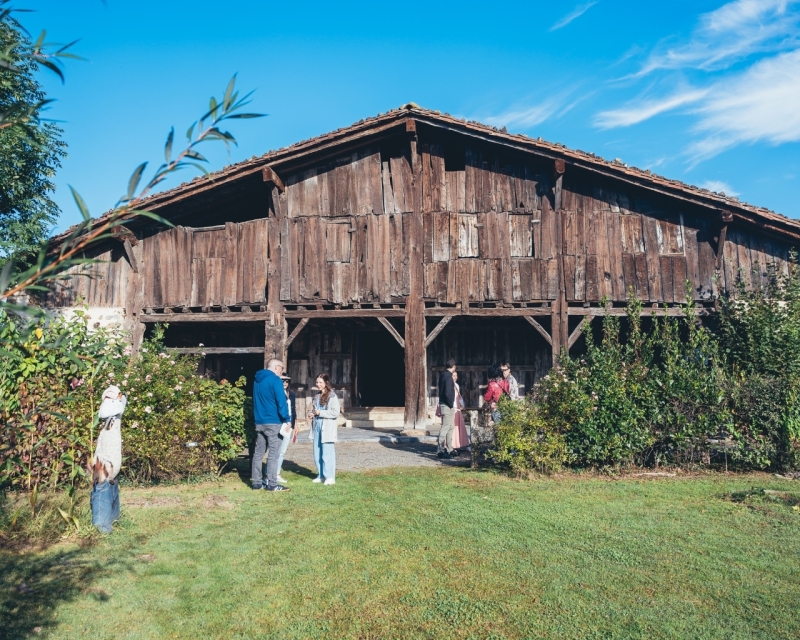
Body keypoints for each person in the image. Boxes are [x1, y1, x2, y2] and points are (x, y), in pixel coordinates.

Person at [90, 385, 127, 533]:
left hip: (107, 466)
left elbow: (106, 409)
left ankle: (102, 527)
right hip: (107, 463)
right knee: (107, 485)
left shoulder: (116, 408)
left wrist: (112, 397)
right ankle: (112, 520)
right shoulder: (110, 418)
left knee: (103, 487)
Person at [252, 358, 291, 492]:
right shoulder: (275, 380)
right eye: (281, 368)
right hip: (273, 421)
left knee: (258, 453)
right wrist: (287, 419)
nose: (282, 371)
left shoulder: (257, 380)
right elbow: (281, 401)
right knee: (274, 454)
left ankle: (257, 483)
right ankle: (272, 484)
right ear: (276, 367)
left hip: (259, 421)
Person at [308, 373, 339, 485]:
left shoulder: (332, 396)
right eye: (317, 382)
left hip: (327, 427)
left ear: (326, 383)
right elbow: (314, 410)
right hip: (317, 427)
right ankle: (321, 475)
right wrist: (312, 414)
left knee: (327, 452)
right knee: (317, 452)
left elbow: (335, 412)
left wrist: (320, 412)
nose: (318, 384)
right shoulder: (316, 396)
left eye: (320, 382)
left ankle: (329, 476)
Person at [272, 375, 297, 484]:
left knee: (282, 451)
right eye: (282, 381)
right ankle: (271, 473)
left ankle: (277, 473)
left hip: (289, 424)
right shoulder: (277, 393)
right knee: (275, 450)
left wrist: (294, 424)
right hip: (280, 423)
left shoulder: (291, 394)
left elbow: (293, 410)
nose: (285, 383)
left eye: (287, 381)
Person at [437, 358, 457, 459]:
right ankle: (440, 450)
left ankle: (450, 448)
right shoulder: (448, 377)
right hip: (447, 405)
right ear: (453, 367)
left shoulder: (443, 375)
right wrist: (451, 404)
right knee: (445, 427)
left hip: (445, 404)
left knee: (450, 426)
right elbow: (448, 392)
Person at [450, 370, 469, 454]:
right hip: (452, 408)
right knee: (452, 428)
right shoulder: (448, 385)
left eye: (456, 376)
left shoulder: (457, 385)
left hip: (457, 409)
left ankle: (460, 444)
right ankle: (452, 445)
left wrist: (462, 404)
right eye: (453, 376)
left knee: (459, 428)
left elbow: (459, 397)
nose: (455, 377)